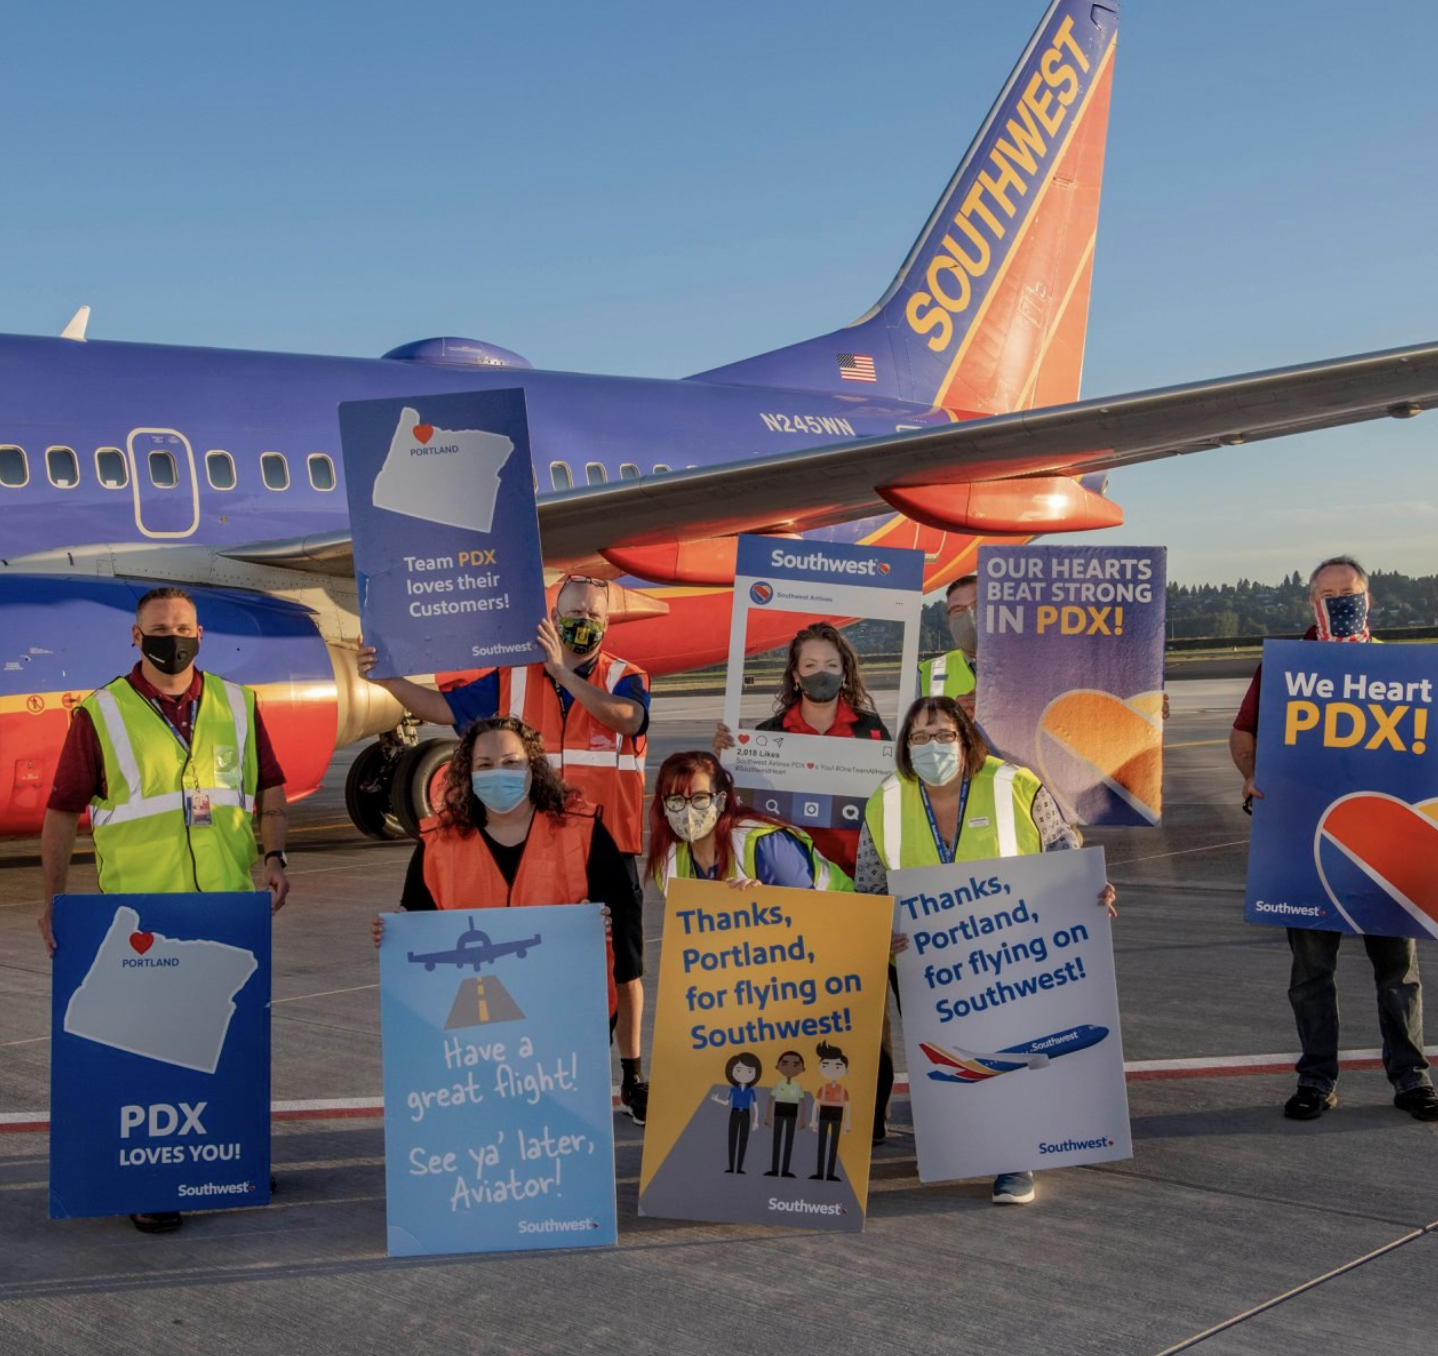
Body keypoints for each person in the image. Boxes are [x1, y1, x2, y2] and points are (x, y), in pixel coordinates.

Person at [39, 586, 291, 1234]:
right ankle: (150, 1179)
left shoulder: (237, 704)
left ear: (199, 633)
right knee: (147, 1050)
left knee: (233, 1043)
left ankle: (235, 1154)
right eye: (159, 629)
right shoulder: (101, 713)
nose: (171, 638)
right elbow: (63, 810)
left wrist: (275, 856)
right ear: (136, 637)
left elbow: (270, 786)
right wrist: (53, 902)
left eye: (181, 627)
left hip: (228, 906)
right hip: (144, 910)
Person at [360, 574, 653, 1124]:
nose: (582, 623)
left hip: (605, 845)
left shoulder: (625, 676)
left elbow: (628, 719)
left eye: (593, 615)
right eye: (572, 613)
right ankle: (531, 1073)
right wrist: (386, 676)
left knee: (622, 968)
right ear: (552, 613)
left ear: (608, 623)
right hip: (530, 839)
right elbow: (441, 708)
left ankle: (631, 1074)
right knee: (527, 967)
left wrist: (564, 673)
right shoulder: (512, 676)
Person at [855, 694, 1116, 1205]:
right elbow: (869, 884)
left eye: (944, 735)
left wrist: (1093, 893)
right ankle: (966, 1144)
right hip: (924, 960)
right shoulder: (885, 800)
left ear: (966, 737)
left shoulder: (1016, 784)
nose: (932, 746)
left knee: (1011, 1052)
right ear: (905, 746)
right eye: (919, 737)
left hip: (1009, 953)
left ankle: (1014, 1158)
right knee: (952, 1059)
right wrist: (875, 931)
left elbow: (1064, 855)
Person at [1229, 555, 1436, 1122]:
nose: (1340, 601)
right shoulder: (1286, 665)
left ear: (1368, 597)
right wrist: (1251, 774)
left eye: (1348, 592)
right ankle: (1316, 1078)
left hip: (1384, 842)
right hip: (1301, 835)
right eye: (1327, 593)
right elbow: (1243, 729)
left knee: (1398, 971)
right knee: (1311, 973)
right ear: (1310, 602)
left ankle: (1412, 1076)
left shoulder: (1403, 669)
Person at [371, 716, 642, 1037]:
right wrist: (399, 928)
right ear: (468, 774)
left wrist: (602, 917)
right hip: (475, 1026)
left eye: (511, 762)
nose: (498, 772)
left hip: (567, 1012)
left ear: (533, 767)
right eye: (485, 765)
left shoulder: (581, 829)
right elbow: (417, 911)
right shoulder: (438, 842)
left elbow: (619, 906)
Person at [714, 622, 891, 876]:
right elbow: (743, 807)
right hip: (789, 873)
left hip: (858, 874)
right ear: (796, 676)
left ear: (844, 674)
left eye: (831, 665)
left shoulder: (871, 730)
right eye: (810, 665)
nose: (822, 673)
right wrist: (730, 759)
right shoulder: (769, 733)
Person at [646, 751, 852, 894]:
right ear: (664, 805)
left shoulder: (765, 845)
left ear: (721, 801)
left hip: (844, 926)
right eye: (676, 800)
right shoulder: (668, 862)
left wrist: (764, 905)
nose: (688, 810)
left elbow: (809, 914)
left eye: (700, 799)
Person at [918, 575, 978, 707]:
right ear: (949, 620)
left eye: (977, 605)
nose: (969, 615)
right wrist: (954, 717)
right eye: (958, 609)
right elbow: (916, 725)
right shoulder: (927, 672)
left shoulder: (1027, 666)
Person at [710, 1052, 763, 1174]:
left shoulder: (751, 1091)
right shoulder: (733, 1089)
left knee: (743, 1139)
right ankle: (731, 1166)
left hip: (746, 1113)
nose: (744, 1074)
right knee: (732, 1138)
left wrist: (755, 1121)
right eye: (739, 1070)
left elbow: (755, 1106)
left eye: (749, 1071)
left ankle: (739, 1168)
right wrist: (716, 1099)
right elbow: (726, 1102)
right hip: (734, 1113)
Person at [764, 1050, 807, 1178]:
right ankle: (774, 1168)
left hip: (792, 1113)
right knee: (777, 1140)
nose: (789, 1068)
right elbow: (771, 1100)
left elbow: (803, 1102)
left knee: (789, 1140)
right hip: (778, 1112)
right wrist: (768, 1116)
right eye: (785, 1063)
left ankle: (785, 1169)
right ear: (778, 1066)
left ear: (802, 1069)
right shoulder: (779, 1084)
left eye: (795, 1065)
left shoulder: (797, 1085)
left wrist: (801, 1119)